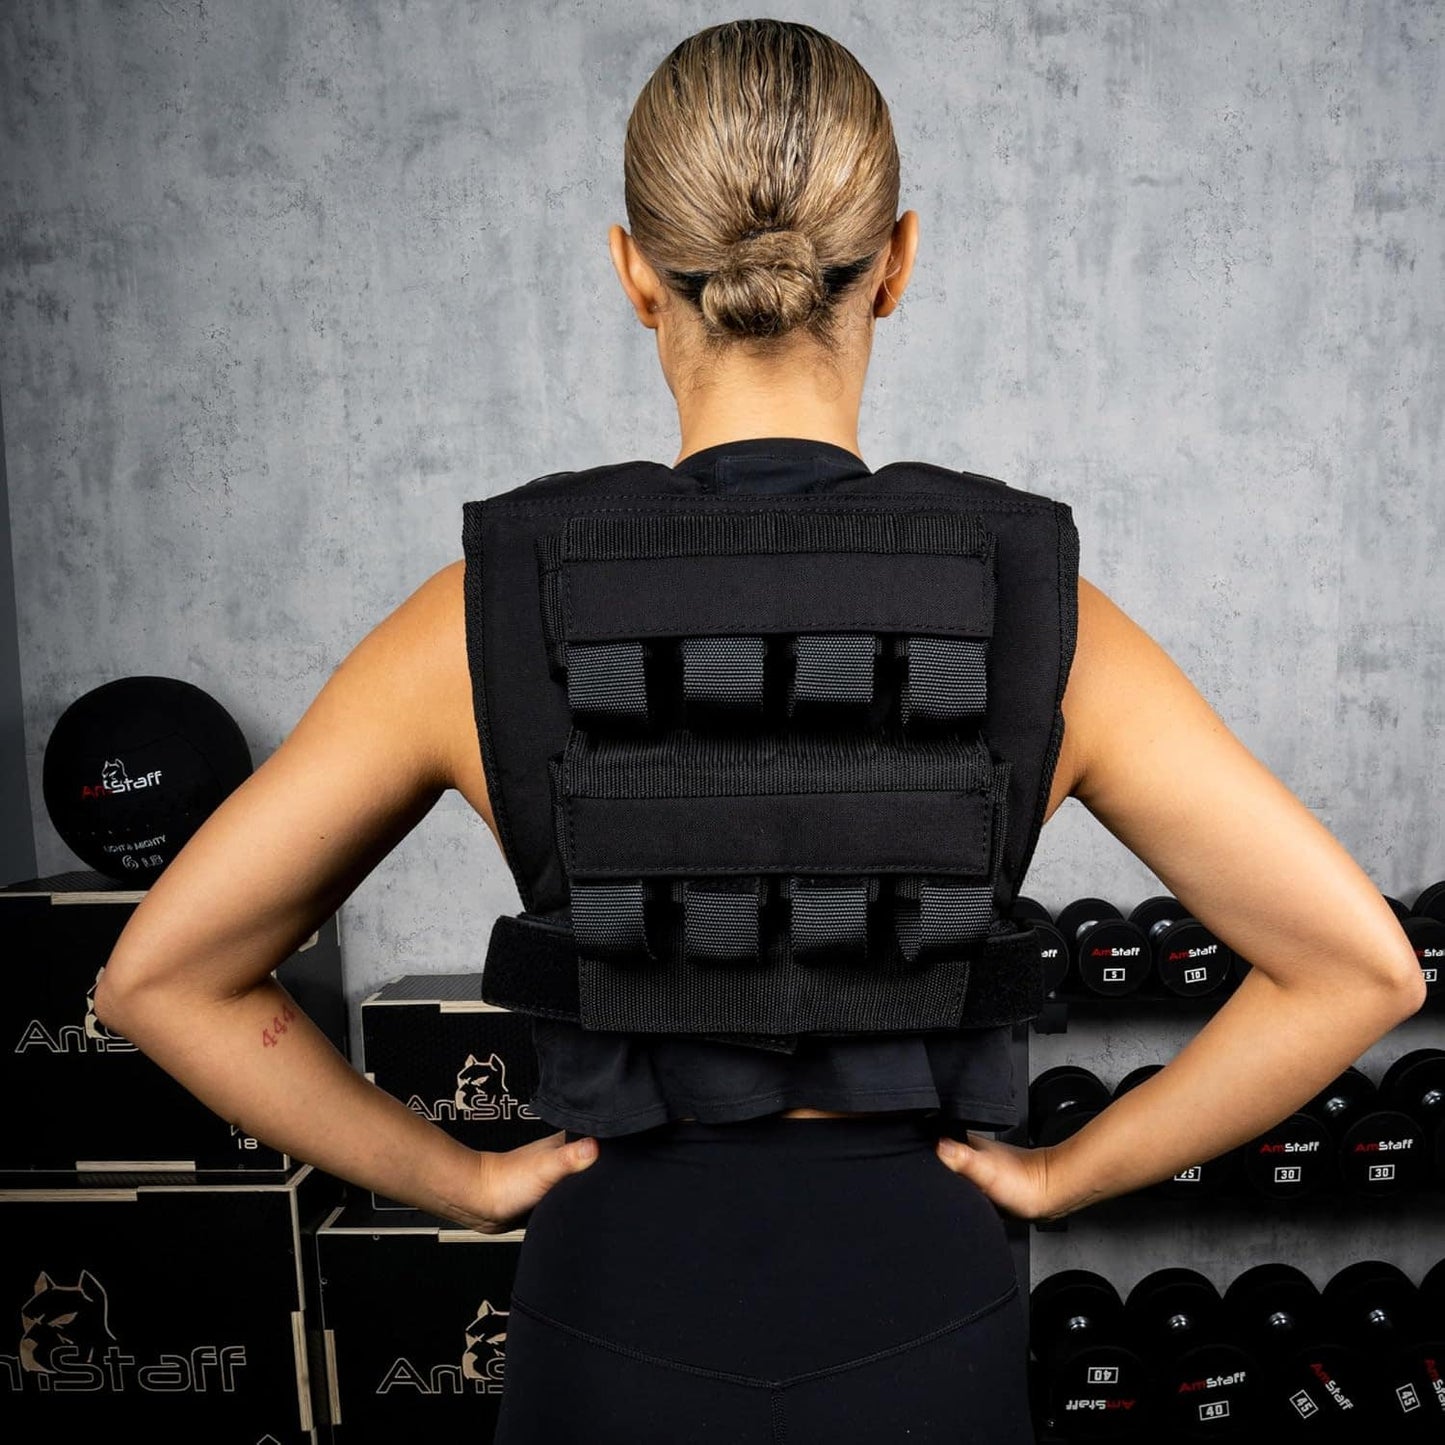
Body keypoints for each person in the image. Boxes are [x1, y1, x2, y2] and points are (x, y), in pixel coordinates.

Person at [94, 17, 1426, 1444]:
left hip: (610, 1303)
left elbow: (163, 978)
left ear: (630, 272)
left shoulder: (471, 616)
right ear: (898, 261)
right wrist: (1066, 1174)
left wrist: (459, 1180)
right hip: (922, 1297)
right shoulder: (1039, 607)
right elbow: (1355, 969)